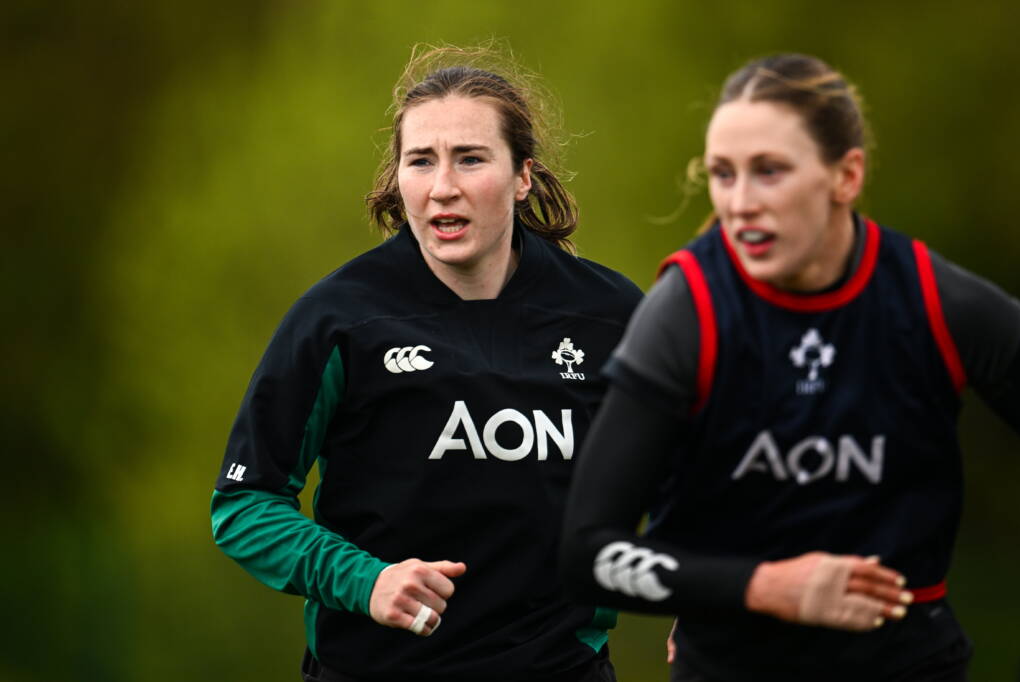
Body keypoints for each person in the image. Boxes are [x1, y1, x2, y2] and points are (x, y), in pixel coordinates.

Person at [559, 53, 1020, 681]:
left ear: (845, 176)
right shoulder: (688, 310)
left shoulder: (934, 300)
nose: (740, 202)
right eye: (723, 174)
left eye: (769, 172)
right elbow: (589, 554)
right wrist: (762, 586)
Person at [211, 44, 640, 682]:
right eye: (421, 161)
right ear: (399, 177)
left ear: (523, 176)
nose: (444, 187)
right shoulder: (339, 319)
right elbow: (244, 505)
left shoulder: (609, 317)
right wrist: (367, 581)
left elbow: (688, 483)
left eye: (471, 159)